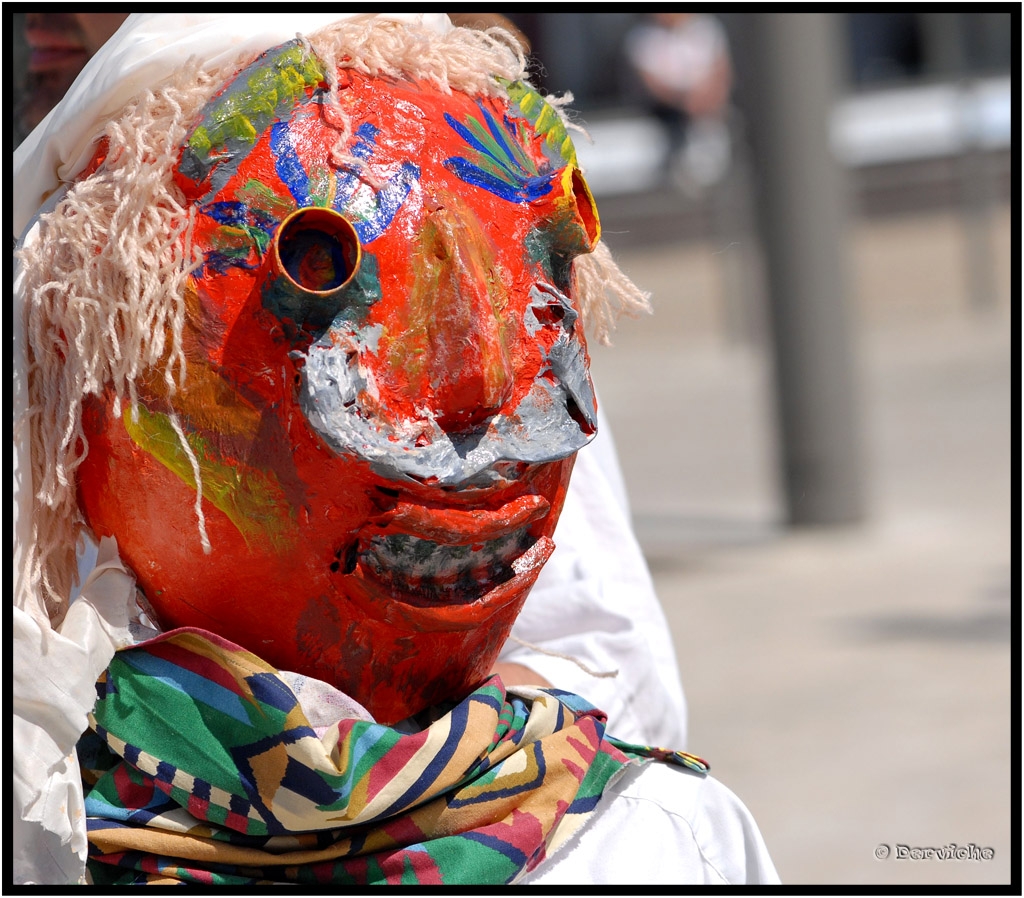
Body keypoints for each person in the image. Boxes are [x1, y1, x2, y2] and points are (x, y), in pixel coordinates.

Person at [13, 14, 776, 885]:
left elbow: (618, 658)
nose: (465, 437)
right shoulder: (48, 823)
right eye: (314, 268)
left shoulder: (645, 839)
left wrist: (387, 779)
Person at [624, 12, 734, 193]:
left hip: (710, 117)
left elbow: (722, 72)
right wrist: (683, 101)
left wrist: (707, 99)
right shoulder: (642, 38)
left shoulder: (707, 28)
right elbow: (650, 84)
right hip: (665, 120)